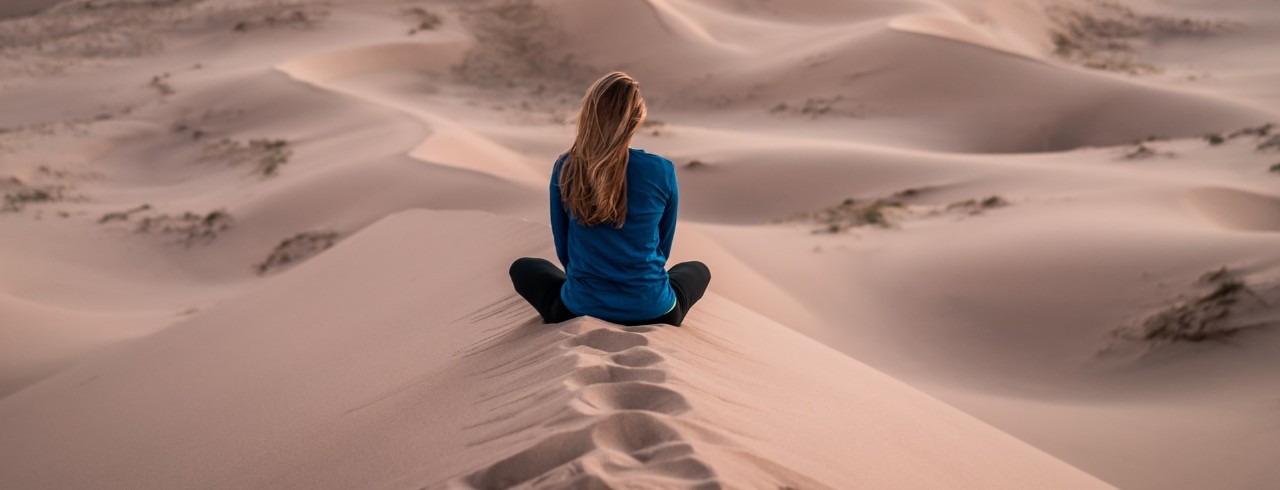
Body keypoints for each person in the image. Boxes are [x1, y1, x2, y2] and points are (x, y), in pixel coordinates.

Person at [509, 72, 710, 327]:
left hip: (579, 307)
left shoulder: (567, 167)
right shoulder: (662, 170)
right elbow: (662, 247)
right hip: (654, 309)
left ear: (588, 115)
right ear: (637, 119)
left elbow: (564, 249)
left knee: (525, 268)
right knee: (697, 269)